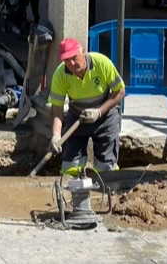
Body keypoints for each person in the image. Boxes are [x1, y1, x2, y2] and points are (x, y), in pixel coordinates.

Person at [47, 38, 126, 175]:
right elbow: (57, 108)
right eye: (66, 60)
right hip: (78, 117)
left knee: (106, 169)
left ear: (83, 52)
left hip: (106, 117)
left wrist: (99, 112)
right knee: (70, 169)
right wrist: (56, 135)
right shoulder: (60, 75)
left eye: (74, 58)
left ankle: (106, 190)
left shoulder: (102, 63)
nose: (71, 64)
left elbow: (120, 91)